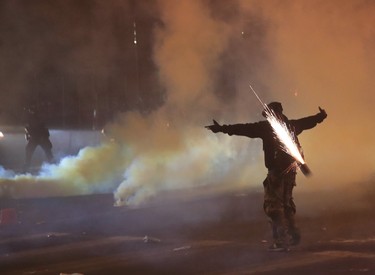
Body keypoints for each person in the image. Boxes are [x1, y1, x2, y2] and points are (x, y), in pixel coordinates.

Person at [205, 102, 327, 251]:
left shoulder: (266, 128)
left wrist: (221, 129)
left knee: (273, 206)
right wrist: (321, 116)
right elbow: (308, 122)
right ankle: (293, 233)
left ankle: (281, 241)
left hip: (276, 172)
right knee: (286, 203)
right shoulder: (291, 125)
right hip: (291, 171)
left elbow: (243, 129)